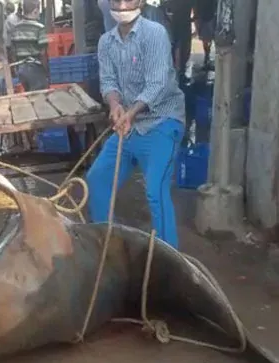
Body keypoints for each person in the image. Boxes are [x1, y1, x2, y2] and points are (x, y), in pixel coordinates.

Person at [86, 0, 185, 249]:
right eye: (115, 0)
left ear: (140, 1)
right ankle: (109, 246)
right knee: (97, 179)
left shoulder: (155, 33)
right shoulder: (105, 42)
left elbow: (157, 84)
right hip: (129, 126)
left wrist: (129, 113)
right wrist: (115, 105)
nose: (121, 5)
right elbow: (108, 81)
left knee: (155, 192)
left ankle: (169, 259)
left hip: (162, 122)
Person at [10, 0, 49, 91]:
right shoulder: (39, 28)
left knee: (29, 96)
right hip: (35, 69)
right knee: (40, 97)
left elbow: (13, 51)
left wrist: (15, 70)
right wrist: (46, 70)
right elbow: (43, 53)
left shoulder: (16, 28)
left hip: (21, 69)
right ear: (35, 11)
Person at [194, 0, 216, 70]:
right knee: (207, 40)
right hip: (206, 17)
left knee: (207, 40)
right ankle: (207, 58)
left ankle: (207, 58)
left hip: (207, 17)